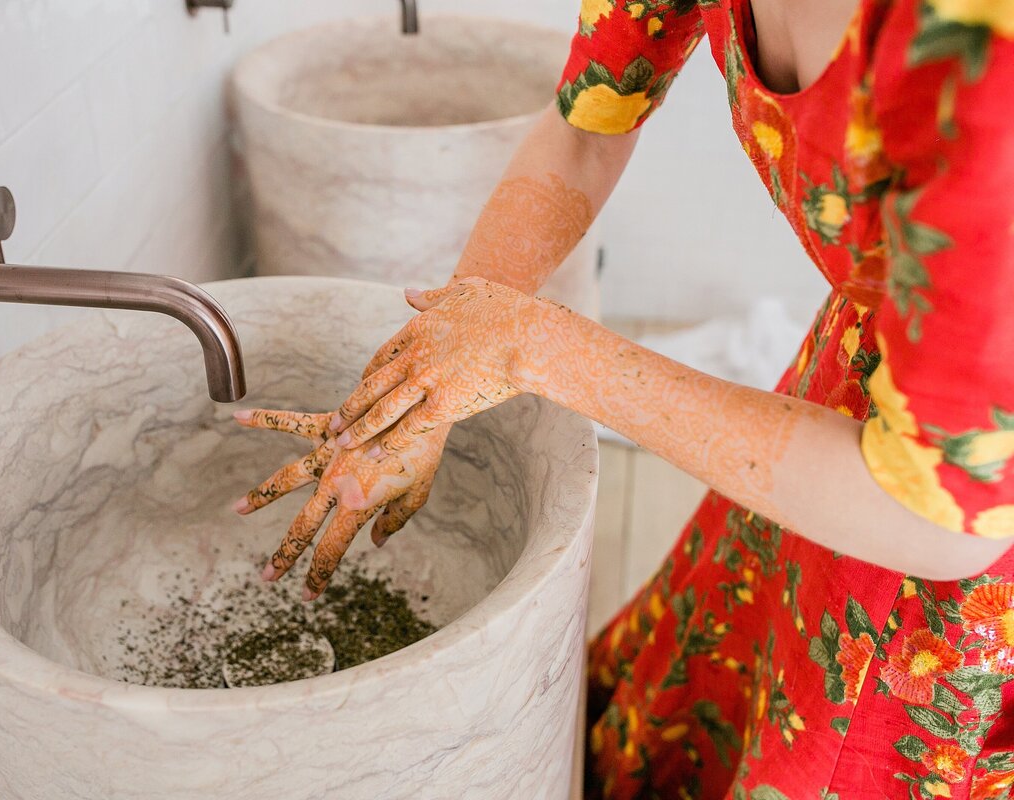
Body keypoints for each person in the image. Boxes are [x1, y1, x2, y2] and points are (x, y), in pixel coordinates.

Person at [231, 0, 1014, 795]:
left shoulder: (982, 52)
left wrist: (536, 346)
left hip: (961, 535)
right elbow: (585, 126)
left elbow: (942, 523)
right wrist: (436, 367)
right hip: (874, 384)